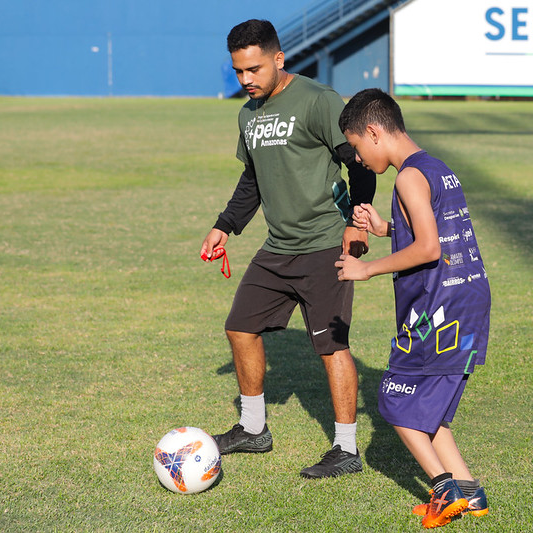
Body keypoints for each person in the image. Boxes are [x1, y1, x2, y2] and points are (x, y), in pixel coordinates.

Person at [200, 19, 375, 479]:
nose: (246, 80)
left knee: (332, 347)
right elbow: (253, 179)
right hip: (278, 247)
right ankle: (253, 429)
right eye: (239, 72)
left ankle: (346, 448)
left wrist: (359, 221)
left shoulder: (318, 101)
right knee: (239, 327)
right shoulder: (248, 114)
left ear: (279, 58)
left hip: (324, 244)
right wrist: (224, 226)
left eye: (254, 69)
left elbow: (359, 161)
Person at [335, 88, 491, 528]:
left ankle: (445, 490)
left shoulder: (407, 177)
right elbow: (427, 232)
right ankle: (471, 494)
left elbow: (427, 247)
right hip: (466, 298)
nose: (360, 160)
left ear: (374, 131)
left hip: (438, 309)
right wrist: (385, 228)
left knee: (394, 400)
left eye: (359, 147)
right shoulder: (434, 168)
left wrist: (366, 270)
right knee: (428, 409)